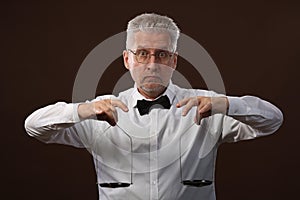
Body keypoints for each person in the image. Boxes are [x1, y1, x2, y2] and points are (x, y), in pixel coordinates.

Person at [24, 13, 283, 200]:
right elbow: (34, 126)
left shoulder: (207, 106)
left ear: (174, 61)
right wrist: (82, 110)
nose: (151, 63)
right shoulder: (100, 110)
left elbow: (273, 120)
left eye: (161, 54)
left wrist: (225, 104)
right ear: (127, 59)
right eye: (142, 53)